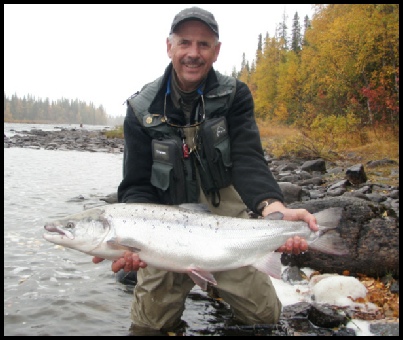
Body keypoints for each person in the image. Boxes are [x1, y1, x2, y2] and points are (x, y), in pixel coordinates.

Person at [93, 6, 318, 334]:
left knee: (265, 318)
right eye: (185, 43)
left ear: (217, 51)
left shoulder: (234, 96)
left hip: (223, 221)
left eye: (203, 44)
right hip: (163, 224)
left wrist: (275, 207)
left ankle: (217, 282)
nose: (193, 54)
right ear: (169, 46)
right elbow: (136, 185)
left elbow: (247, 160)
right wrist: (132, 245)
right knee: (148, 327)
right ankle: (200, 283)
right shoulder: (141, 109)